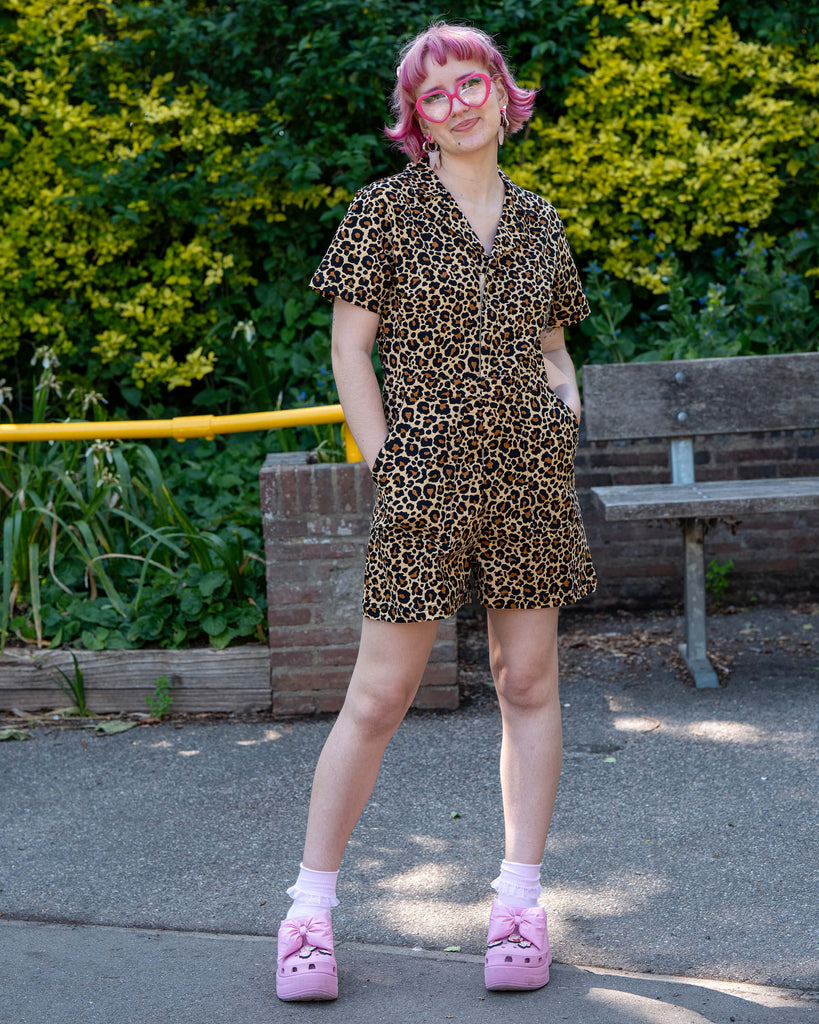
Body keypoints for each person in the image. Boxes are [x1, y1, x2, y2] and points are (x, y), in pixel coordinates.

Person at [275, 21, 596, 1002]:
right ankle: (308, 913)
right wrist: (387, 461)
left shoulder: (541, 222)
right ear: (416, 118)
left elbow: (554, 345)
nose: (456, 102)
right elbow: (348, 351)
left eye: (471, 82)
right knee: (377, 698)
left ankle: (518, 906)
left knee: (529, 682)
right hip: (423, 485)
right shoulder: (385, 213)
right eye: (435, 93)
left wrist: (563, 410)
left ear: (504, 95)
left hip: (530, 482)